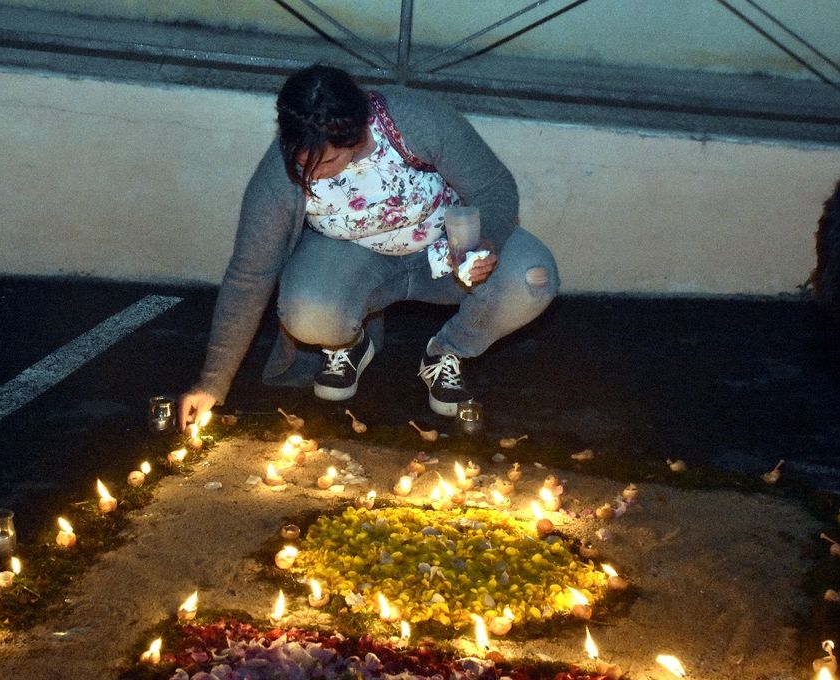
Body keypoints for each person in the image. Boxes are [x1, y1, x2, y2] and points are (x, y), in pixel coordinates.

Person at [177, 64, 558, 431]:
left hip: (445, 249)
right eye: (301, 160)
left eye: (328, 160)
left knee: (531, 278)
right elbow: (250, 273)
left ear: (358, 133)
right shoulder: (282, 171)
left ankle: (447, 353)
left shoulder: (417, 120)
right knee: (305, 311)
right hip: (354, 258)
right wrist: (212, 382)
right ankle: (351, 344)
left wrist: (482, 243)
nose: (314, 172)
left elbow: (495, 189)